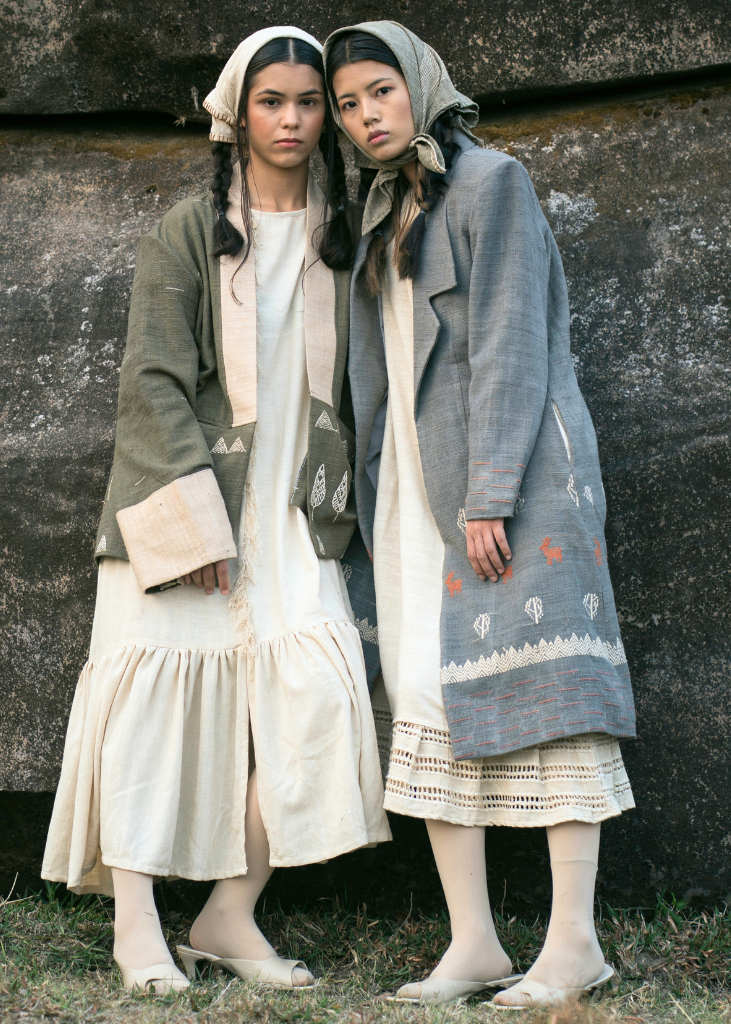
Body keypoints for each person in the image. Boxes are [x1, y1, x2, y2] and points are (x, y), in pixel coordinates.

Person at [42, 26, 390, 995]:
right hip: (190, 504)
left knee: (323, 701)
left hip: (294, 508)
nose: (292, 120)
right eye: (272, 101)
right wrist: (196, 520)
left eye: (309, 102)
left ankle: (229, 913)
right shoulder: (187, 233)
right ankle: (138, 926)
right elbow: (151, 380)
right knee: (153, 715)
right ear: (237, 115)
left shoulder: (344, 234)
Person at [324, 21, 636, 1009]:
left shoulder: (491, 182)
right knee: (428, 693)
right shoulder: (380, 206)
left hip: (508, 485)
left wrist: (490, 491)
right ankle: (475, 944)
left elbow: (510, 340)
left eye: (381, 91)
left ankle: (575, 944)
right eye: (347, 104)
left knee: (547, 695)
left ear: (421, 85)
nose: (366, 115)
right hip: (415, 494)